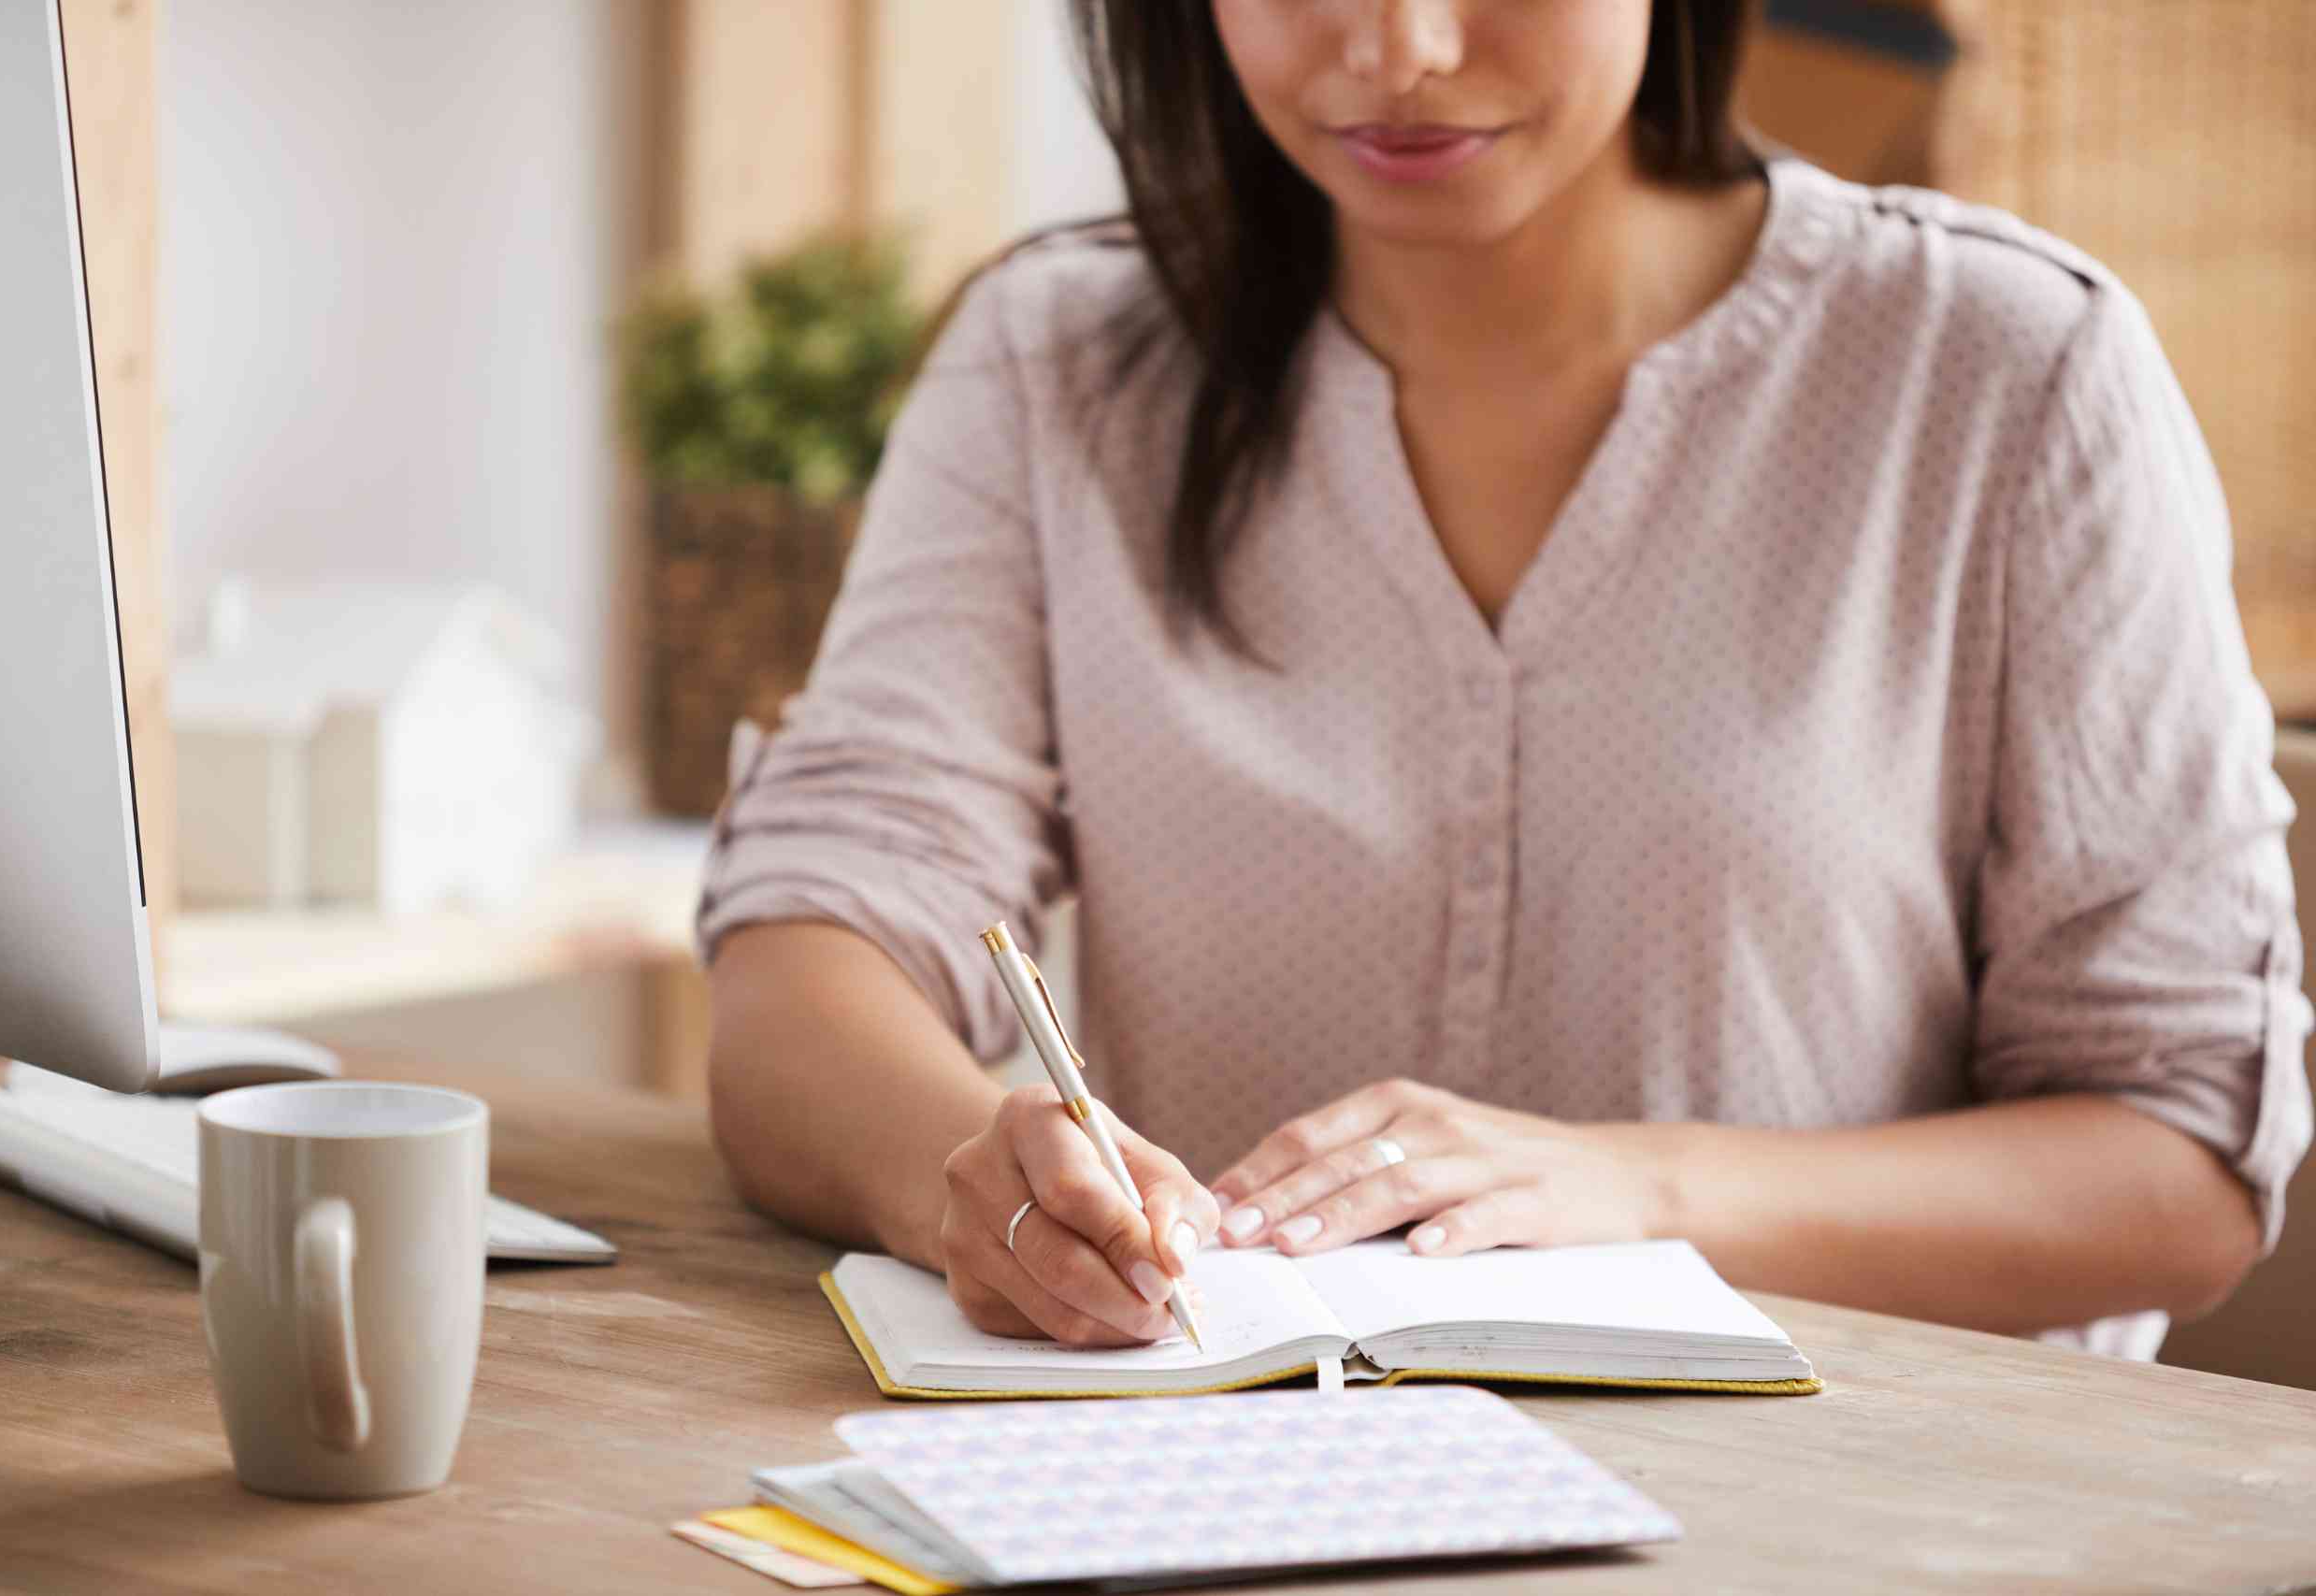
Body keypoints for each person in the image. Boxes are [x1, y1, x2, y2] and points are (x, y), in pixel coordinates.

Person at [697, 0, 2311, 1360]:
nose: (1400, 49)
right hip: (1240, 1501)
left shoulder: (2007, 370)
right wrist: (971, 1180)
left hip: (1867, 1523)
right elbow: (813, 948)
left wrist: (1639, 1192)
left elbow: (2180, 1172)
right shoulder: (1055, 359)